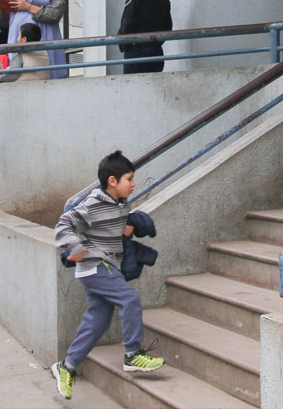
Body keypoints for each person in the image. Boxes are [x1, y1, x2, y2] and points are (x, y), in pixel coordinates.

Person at [52, 150, 165, 400]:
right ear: (112, 181)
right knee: (129, 299)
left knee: (98, 320)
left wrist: (126, 229)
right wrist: (76, 246)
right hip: (95, 264)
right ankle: (132, 355)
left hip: (105, 268)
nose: (133, 184)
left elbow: (113, 225)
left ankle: (67, 366)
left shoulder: (120, 205)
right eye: (129, 179)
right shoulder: (92, 204)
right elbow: (63, 225)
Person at [3, 0, 68, 79]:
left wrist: (28, 7)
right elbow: (3, 23)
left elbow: (54, 15)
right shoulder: (23, 0)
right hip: (26, 55)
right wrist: (3, 7)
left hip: (45, 50)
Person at [118, 0, 173, 74]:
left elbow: (128, 20)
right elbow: (168, 25)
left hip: (136, 51)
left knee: (133, 88)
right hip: (156, 52)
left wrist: (123, 43)